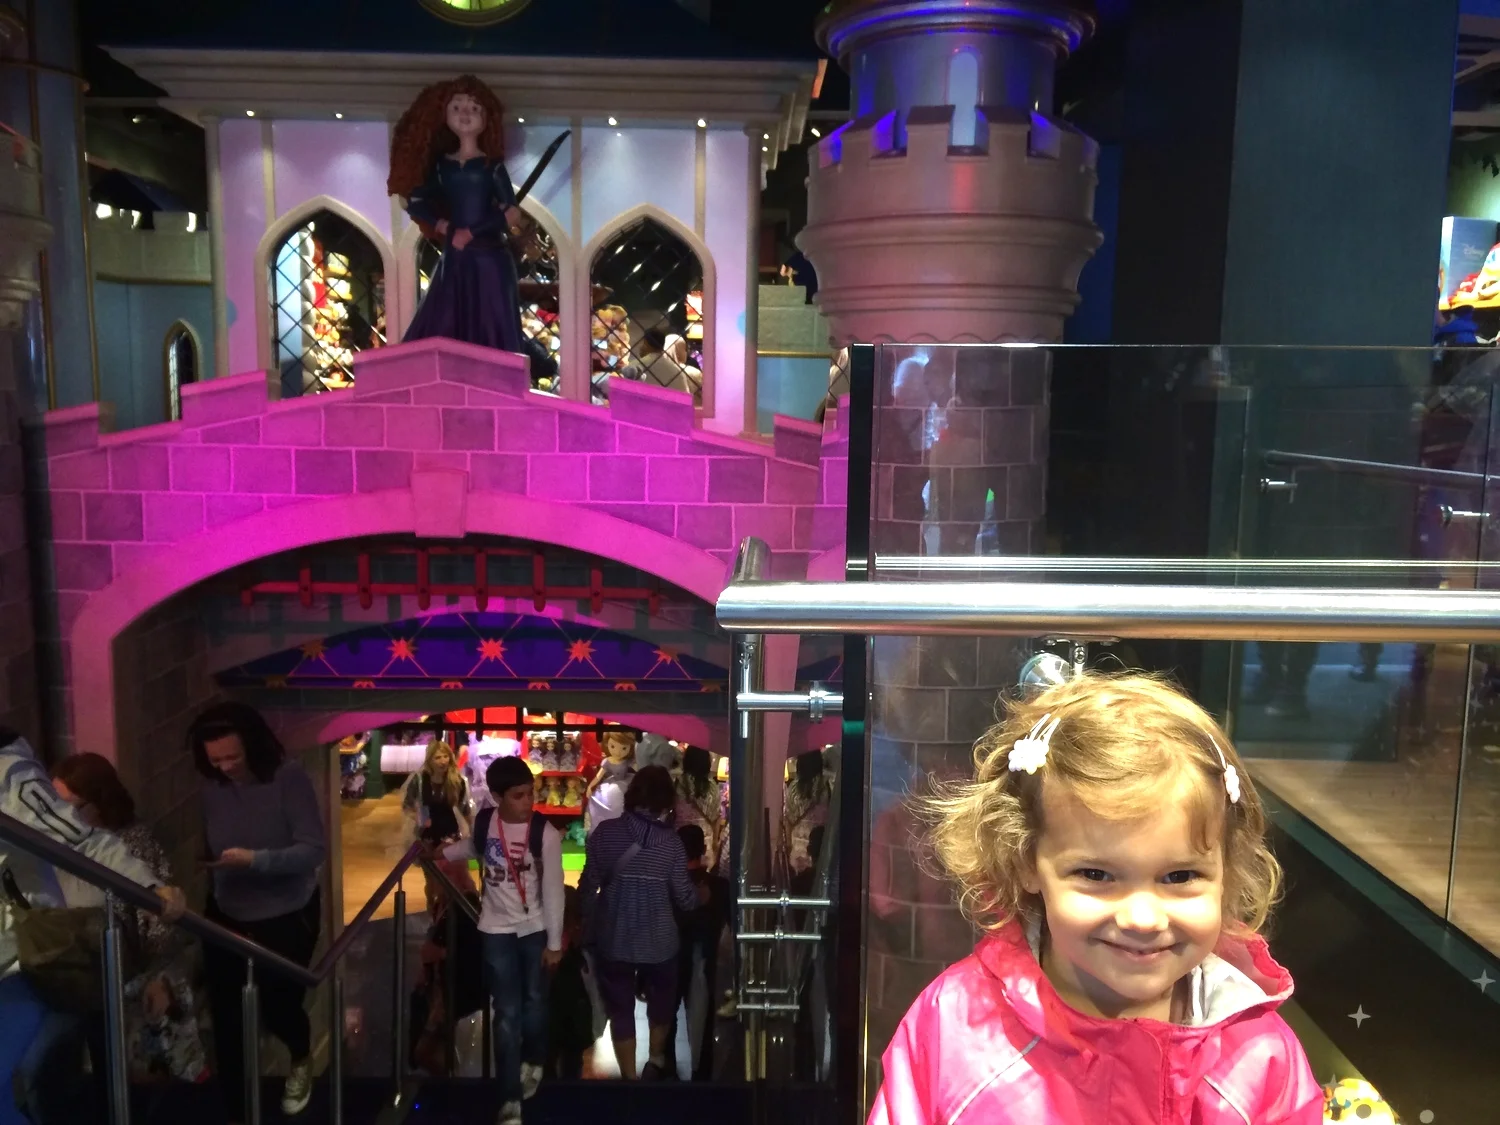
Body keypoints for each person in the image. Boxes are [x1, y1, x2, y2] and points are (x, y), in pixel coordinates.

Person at [868, 673, 1322, 1125]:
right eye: (1096, 875)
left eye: (1180, 876)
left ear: (1226, 870)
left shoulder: (1260, 1058)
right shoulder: (956, 1029)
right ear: (1025, 860)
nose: (1142, 918)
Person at [0, 731, 187, 1125]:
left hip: (33, 958)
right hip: (40, 956)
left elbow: (82, 840)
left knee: (66, 1072)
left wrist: (149, 888)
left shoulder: (8, 775)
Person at [190, 702, 328, 1123]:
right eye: (216, 760)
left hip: (286, 912)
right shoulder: (211, 786)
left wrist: (256, 860)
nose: (226, 767)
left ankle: (300, 1057)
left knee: (280, 1006)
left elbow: (313, 850)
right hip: (227, 911)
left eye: (232, 757)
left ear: (252, 744)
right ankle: (239, 1112)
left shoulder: (288, 777)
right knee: (227, 1020)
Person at [50, 753, 208, 1087]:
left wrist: (156, 978)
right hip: (76, 975)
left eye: (71, 805)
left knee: (128, 1074)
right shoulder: (55, 840)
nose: (60, 814)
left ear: (100, 802)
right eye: (54, 803)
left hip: (125, 978)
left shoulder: (133, 843)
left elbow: (160, 919)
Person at [439, 755, 563, 1125]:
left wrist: (554, 943)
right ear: (496, 796)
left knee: (534, 1002)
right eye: (518, 796)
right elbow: (473, 847)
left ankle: (535, 1058)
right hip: (495, 929)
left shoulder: (545, 833)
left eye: (530, 793)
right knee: (506, 1014)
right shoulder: (485, 823)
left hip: (534, 927)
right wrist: (442, 853)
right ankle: (510, 1098)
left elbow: (554, 890)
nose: (528, 802)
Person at [389, 75, 526, 355]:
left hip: (489, 257)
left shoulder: (491, 167)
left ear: (486, 118)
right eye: (457, 107)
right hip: (456, 256)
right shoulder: (442, 166)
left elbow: (512, 213)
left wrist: (471, 232)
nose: (465, 114)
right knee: (445, 320)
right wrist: (441, 225)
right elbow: (415, 201)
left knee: (492, 325)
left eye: (474, 108)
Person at [579, 765, 700, 1081]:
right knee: (662, 1004)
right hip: (660, 942)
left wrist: (587, 925)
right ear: (666, 801)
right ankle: (655, 1061)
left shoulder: (605, 833)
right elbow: (685, 898)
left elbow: (587, 888)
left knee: (620, 1009)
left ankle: (629, 1078)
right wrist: (700, 895)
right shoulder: (671, 844)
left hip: (614, 938)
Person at [671, 825, 728, 1080]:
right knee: (705, 1020)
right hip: (709, 961)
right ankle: (702, 1073)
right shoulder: (720, 886)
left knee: (667, 1017)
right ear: (704, 849)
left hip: (672, 960)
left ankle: (667, 1069)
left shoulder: (668, 886)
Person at [781, 750, 832, 876]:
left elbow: (787, 821)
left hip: (796, 852)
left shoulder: (793, 789)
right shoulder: (825, 786)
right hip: (816, 850)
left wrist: (788, 847)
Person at [672, 747, 721, 869]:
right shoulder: (712, 787)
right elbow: (716, 818)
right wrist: (715, 844)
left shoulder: (678, 782)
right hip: (703, 845)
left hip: (679, 842)